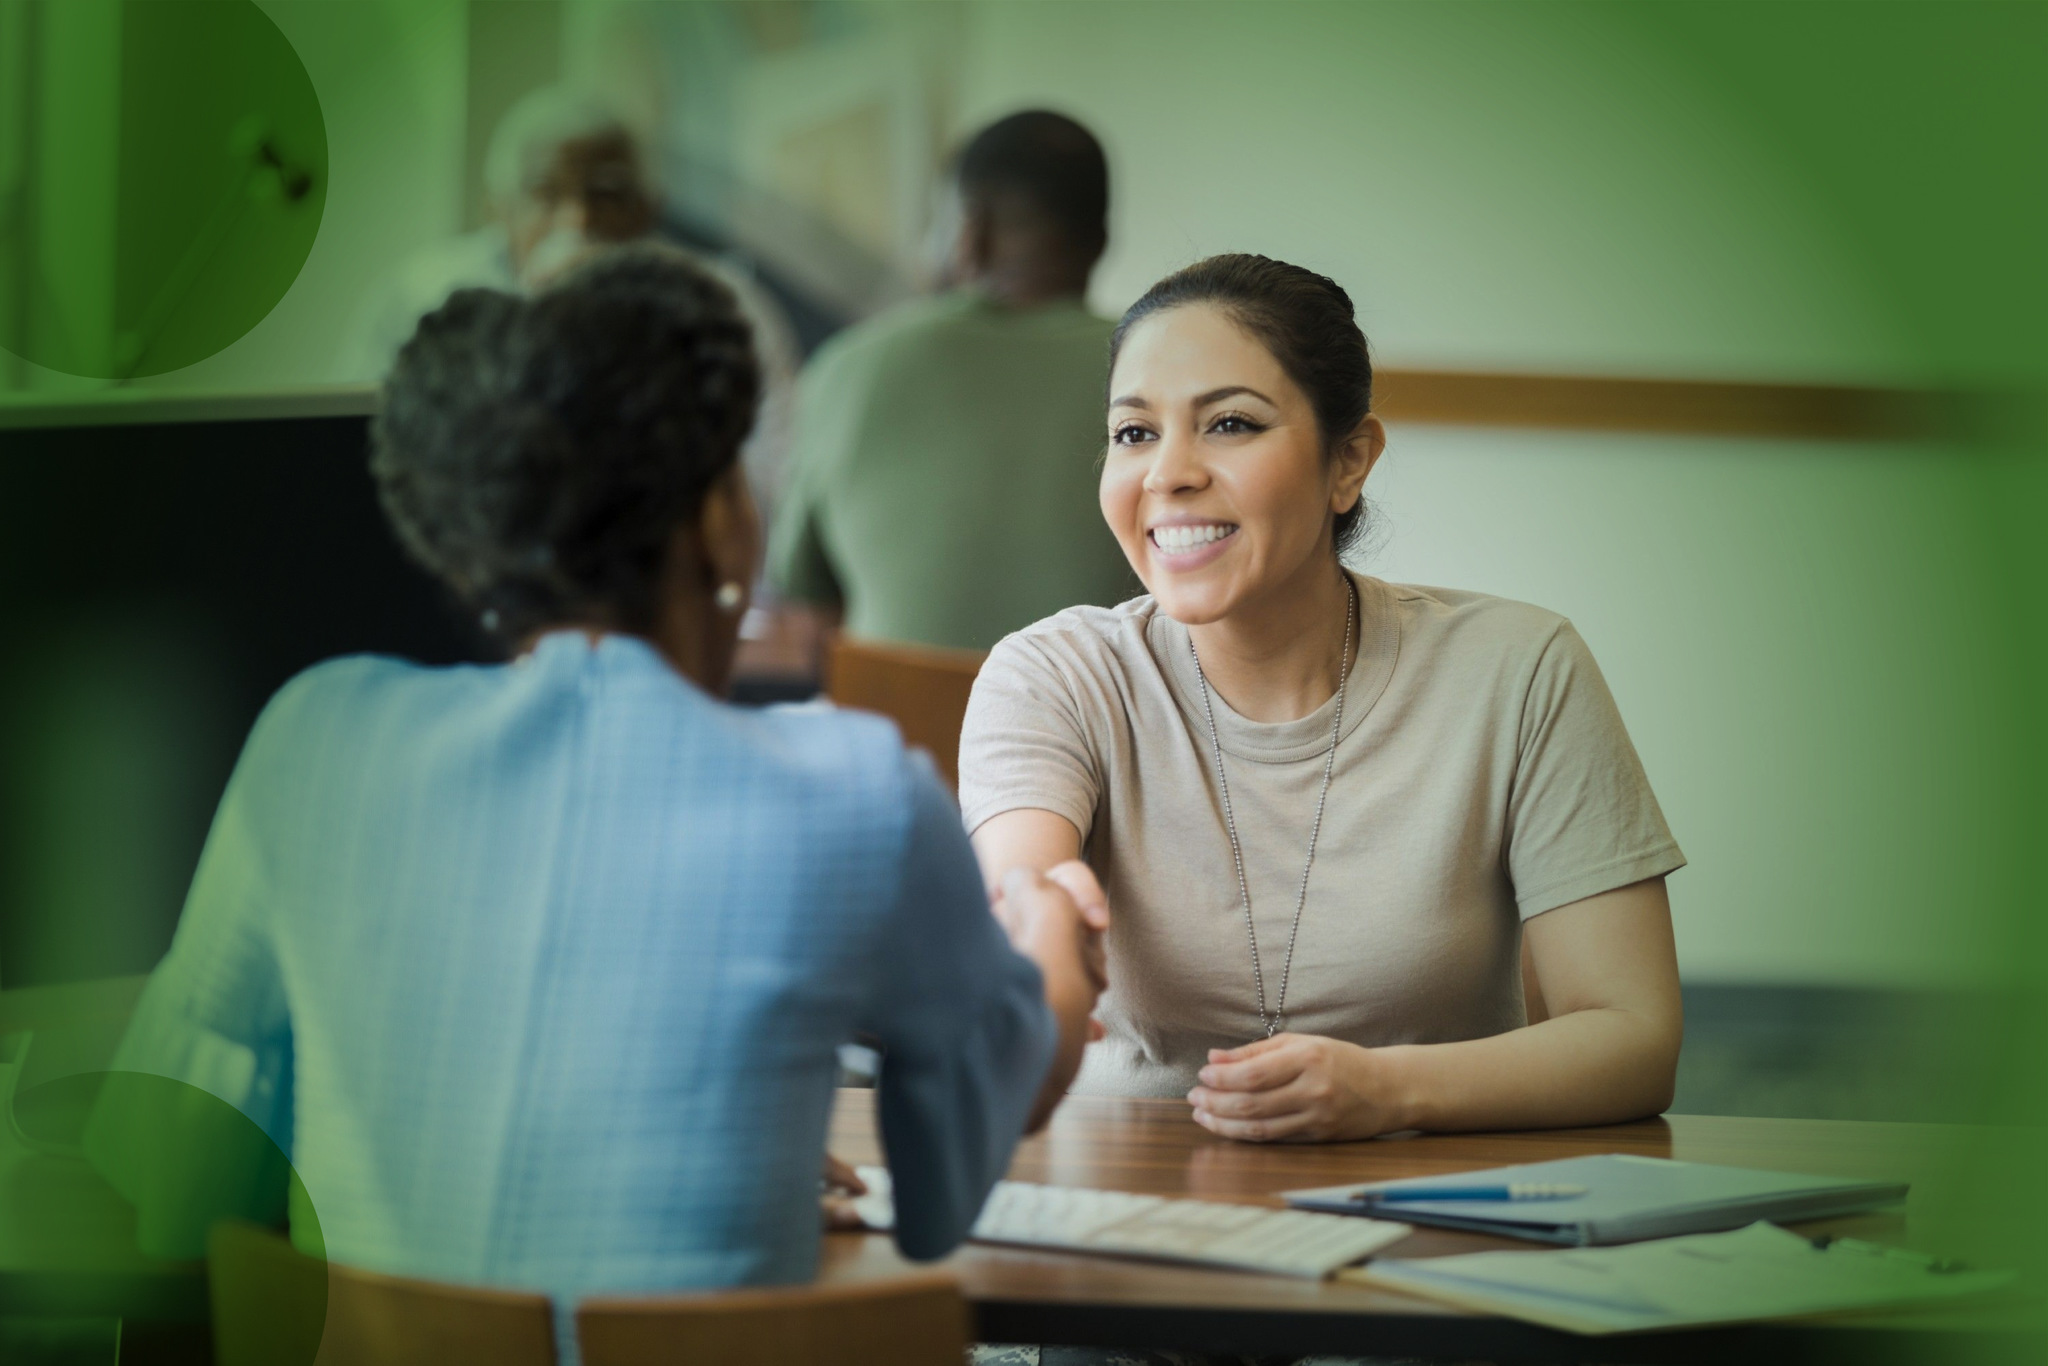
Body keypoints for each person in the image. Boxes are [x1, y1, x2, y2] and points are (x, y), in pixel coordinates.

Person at [86, 245, 1107, 1355]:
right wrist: (1052, 944)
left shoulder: (313, 737)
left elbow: (171, 1169)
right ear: (722, 522)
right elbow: (947, 1186)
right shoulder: (858, 788)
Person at [960, 254, 1685, 1141]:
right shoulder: (1052, 672)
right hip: (1115, 1195)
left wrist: (1385, 1090)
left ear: (1349, 462)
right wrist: (1042, 937)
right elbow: (1027, 890)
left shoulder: (1520, 668)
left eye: (1229, 423)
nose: (1167, 474)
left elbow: (1634, 1038)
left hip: (1421, 1215)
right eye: (1134, 433)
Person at [766, 110, 1135, 654]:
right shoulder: (1158, 369)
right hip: (1095, 732)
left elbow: (805, 607)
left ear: (968, 232)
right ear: (1100, 240)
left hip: (898, 727)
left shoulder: (849, 368)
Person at [339, 86, 800, 513]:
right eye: (545, 193)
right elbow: (365, 458)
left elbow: (781, 465)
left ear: (649, 208)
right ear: (497, 210)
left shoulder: (722, 302)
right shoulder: (420, 298)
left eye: (607, 193)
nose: (578, 219)